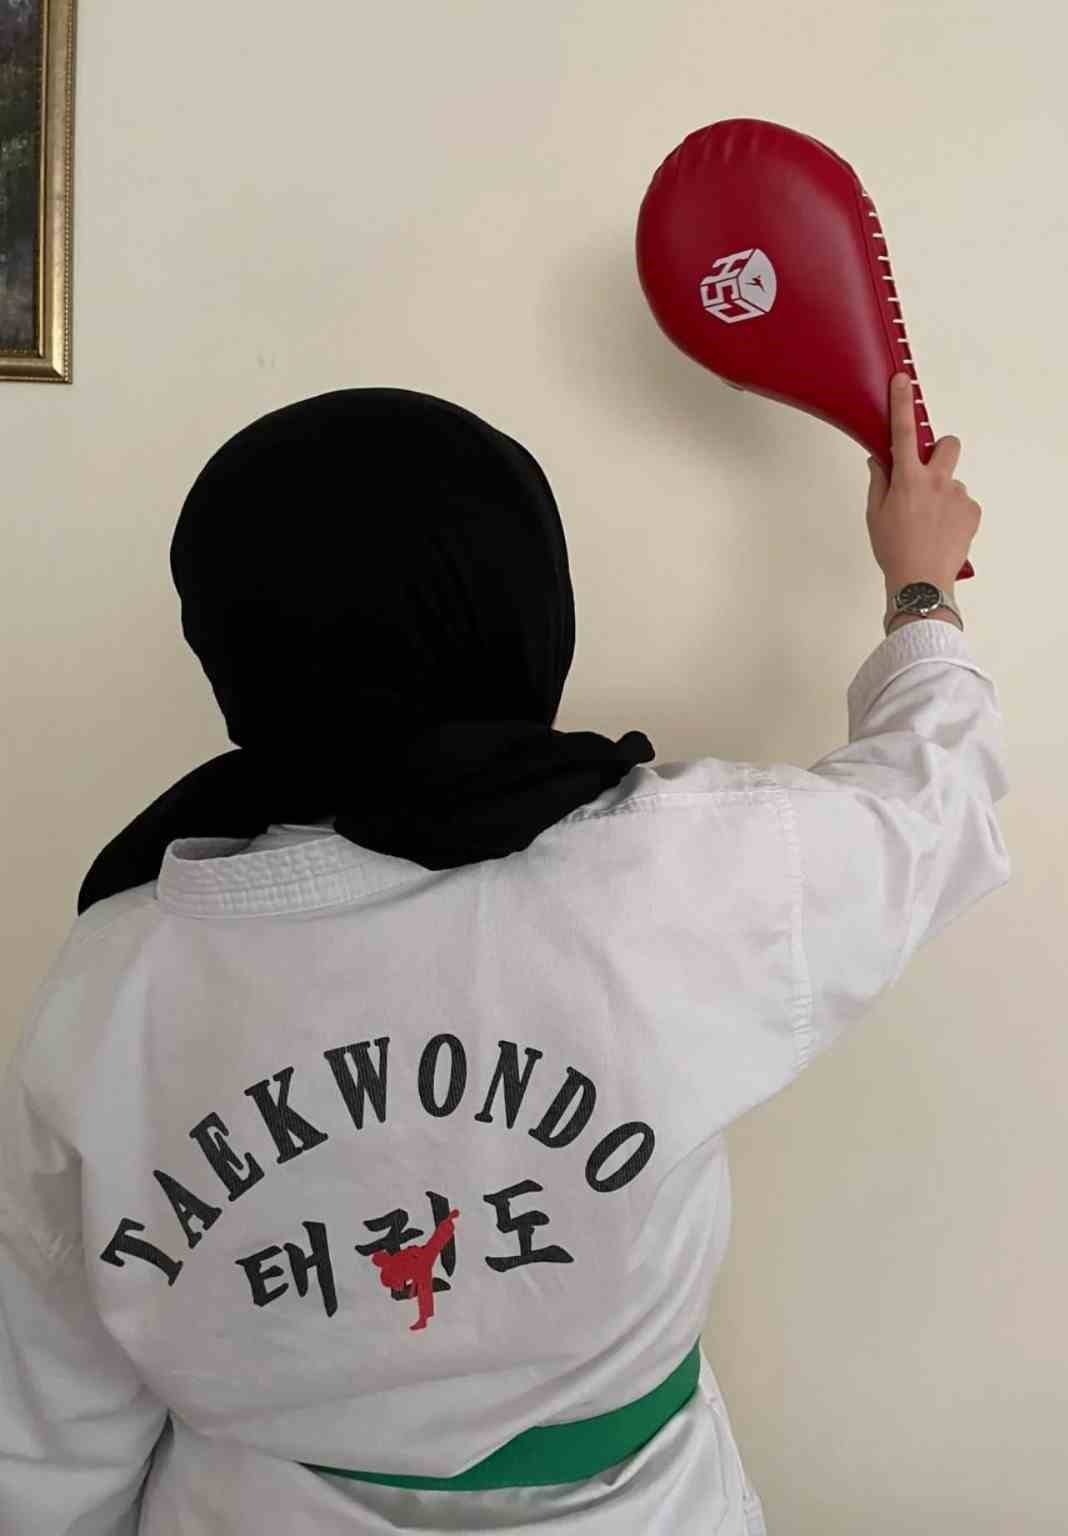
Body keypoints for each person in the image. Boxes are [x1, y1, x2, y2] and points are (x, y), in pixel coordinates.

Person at [0, 371, 1008, 1535]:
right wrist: (920, 587)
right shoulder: (680, 873)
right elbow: (933, 798)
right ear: (530, 611)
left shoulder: (115, 982)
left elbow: (53, 1401)